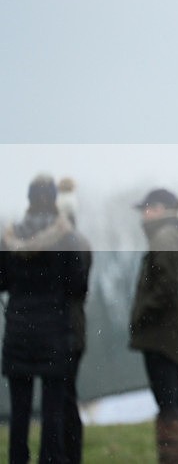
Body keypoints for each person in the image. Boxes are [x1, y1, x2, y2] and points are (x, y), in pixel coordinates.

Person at [1, 174, 90, 464]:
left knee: (20, 410)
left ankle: (17, 458)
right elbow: (77, 286)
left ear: (27, 199)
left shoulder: (10, 237)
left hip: (17, 330)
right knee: (53, 410)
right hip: (54, 331)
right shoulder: (66, 238)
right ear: (54, 200)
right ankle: (51, 459)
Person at [129, 188, 178, 463]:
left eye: (147, 207)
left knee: (168, 402)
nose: (144, 214)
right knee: (172, 400)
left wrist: (141, 314)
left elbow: (166, 287)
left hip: (161, 334)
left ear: (159, 209)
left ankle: (172, 458)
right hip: (169, 333)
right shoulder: (172, 235)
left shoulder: (165, 237)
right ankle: (174, 456)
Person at [56, 177, 93, 464]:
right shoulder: (81, 243)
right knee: (65, 396)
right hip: (71, 329)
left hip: (65, 330)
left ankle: (68, 455)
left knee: (64, 397)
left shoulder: (70, 245)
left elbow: (75, 287)